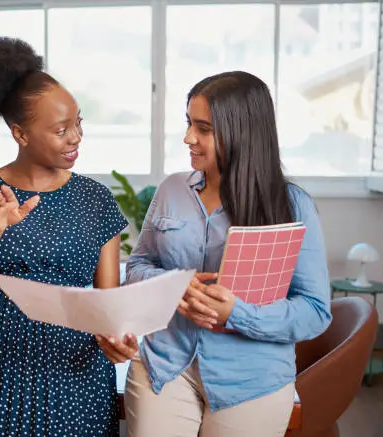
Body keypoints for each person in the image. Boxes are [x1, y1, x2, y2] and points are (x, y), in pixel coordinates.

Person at [0, 36, 138, 437]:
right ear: (20, 134)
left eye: (78, 122)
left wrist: (116, 339)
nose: (76, 137)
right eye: (61, 129)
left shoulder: (95, 199)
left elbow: (108, 306)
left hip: (74, 375)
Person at [124, 71, 332, 437]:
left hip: (253, 379)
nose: (188, 138)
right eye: (189, 123)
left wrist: (237, 314)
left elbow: (314, 311)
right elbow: (138, 265)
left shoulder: (292, 205)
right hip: (166, 366)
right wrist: (174, 286)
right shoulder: (172, 189)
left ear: (242, 131)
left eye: (203, 128)